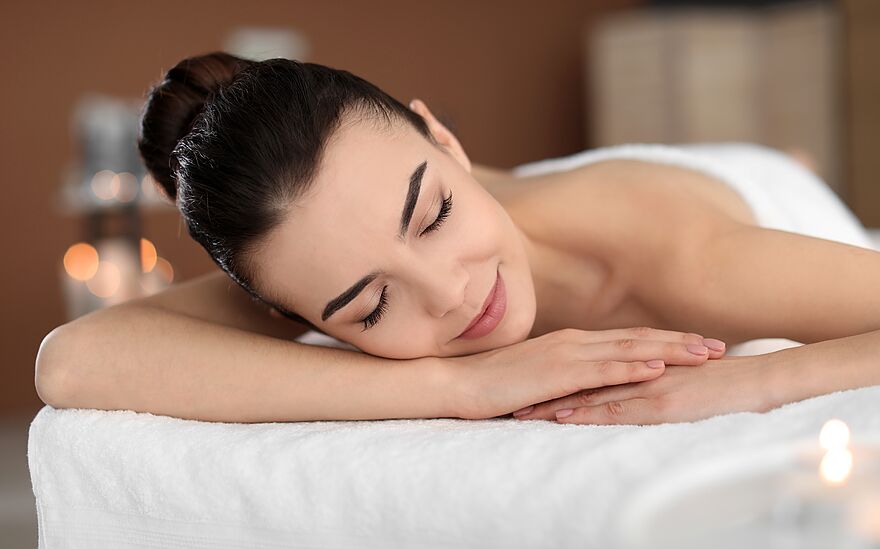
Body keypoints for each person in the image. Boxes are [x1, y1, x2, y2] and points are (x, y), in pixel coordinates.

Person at [34, 52, 880, 425]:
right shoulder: (314, 248)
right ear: (307, 318)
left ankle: (786, 160)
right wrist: (457, 388)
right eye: (371, 308)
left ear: (444, 139)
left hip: (736, 198)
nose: (452, 291)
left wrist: (754, 380)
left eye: (433, 213)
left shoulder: (684, 259)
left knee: (779, 175)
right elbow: (73, 361)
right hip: (541, 195)